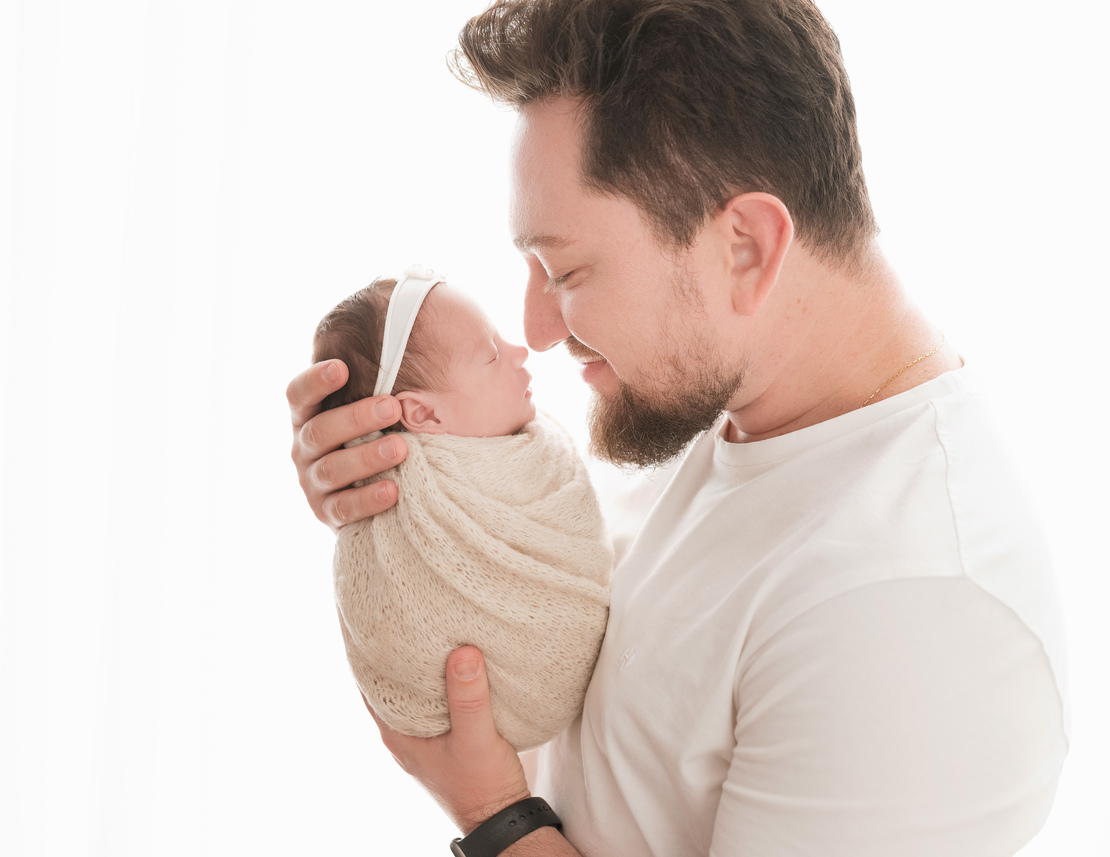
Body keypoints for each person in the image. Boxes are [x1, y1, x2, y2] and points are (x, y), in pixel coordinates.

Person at [286, 1, 1069, 854]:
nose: (537, 329)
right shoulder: (708, 399)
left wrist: (490, 812)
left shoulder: (913, 610)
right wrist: (405, 493)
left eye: (566, 269)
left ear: (745, 247)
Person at [311, 268, 612, 754]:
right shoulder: (399, 493)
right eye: (491, 355)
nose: (520, 351)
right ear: (425, 414)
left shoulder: (539, 457)